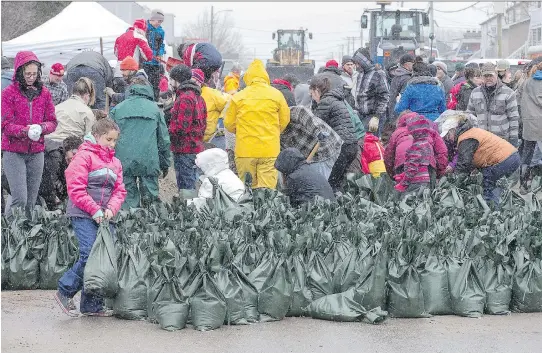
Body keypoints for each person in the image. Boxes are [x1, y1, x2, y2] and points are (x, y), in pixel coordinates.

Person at [55, 117, 127, 317]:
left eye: (114, 141)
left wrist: (111, 209)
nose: (112, 144)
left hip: (105, 217)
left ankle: (91, 305)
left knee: (100, 259)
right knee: (89, 255)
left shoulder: (115, 163)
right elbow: (76, 189)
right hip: (83, 214)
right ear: (96, 137)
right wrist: (94, 210)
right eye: (108, 139)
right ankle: (64, 290)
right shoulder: (84, 156)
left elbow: (119, 191)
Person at [1, 51, 57, 217]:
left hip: (36, 152)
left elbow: (53, 122)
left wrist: (41, 128)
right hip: (13, 152)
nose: (31, 77)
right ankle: (9, 233)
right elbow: (5, 125)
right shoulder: (8, 93)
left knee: (31, 201)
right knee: (20, 199)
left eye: (34, 74)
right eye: (27, 74)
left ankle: (26, 234)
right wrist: (25, 131)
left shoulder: (44, 93)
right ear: (19, 72)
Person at [224, 59, 290, 189]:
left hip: (245, 150)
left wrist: (241, 131)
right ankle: (265, 209)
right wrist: (274, 132)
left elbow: (229, 123)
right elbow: (285, 119)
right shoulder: (277, 95)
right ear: (265, 76)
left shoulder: (238, 97)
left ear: (248, 77)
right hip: (269, 150)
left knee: (247, 189)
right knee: (267, 191)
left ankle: (249, 209)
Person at [109, 79, 171, 208]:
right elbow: (163, 140)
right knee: (151, 203)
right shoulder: (155, 110)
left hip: (123, 160)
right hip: (149, 159)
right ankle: (150, 225)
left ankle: (129, 224)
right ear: (148, 91)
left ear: (129, 90)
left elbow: (109, 138)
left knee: (126, 202)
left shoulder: (118, 109)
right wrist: (165, 164)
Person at [39, 77, 96, 209]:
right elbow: (89, 138)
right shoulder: (86, 111)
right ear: (87, 95)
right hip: (69, 148)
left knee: (49, 182)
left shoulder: (58, 107)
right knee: (68, 183)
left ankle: (50, 204)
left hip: (48, 146)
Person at [442, 119, 520, 206]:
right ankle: (500, 206)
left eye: (448, 136)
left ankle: (491, 210)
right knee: (496, 184)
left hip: (505, 160)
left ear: (453, 131)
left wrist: (455, 183)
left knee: (488, 183)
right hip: (512, 156)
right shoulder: (471, 132)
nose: (449, 139)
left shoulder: (465, 138)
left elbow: (464, 164)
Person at [310, 75, 357, 191]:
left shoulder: (325, 102)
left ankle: (330, 205)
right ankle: (341, 205)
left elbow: (317, 125)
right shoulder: (336, 99)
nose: (312, 97)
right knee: (339, 182)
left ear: (316, 90)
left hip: (341, 147)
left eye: (311, 94)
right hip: (352, 146)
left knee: (330, 183)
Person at [168, 64, 207, 191]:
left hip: (184, 149)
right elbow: (204, 123)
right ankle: (193, 206)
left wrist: (168, 132)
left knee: (186, 185)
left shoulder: (185, 98)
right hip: (195, 146)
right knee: (192, 181)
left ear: (176, 80)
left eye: (171, 79)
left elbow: (181, 128)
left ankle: (189, 208)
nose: (170, 83)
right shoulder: (199, 97)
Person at [281, 105, 343, 179]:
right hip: (310, 157)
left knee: (317, 185)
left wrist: (318, 132)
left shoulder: (293, 112)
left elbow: (307, 116)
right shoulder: (273, 134)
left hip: (325, 150)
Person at [466, 63, 520, 147]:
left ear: (496, 74)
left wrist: (513, 139)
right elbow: (470, 116)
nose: (488, 78)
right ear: (482, 77)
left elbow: (513, 118)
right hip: (481, 139)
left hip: (501, 139)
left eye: (491, 75)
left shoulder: (508, 93)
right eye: (485, 76)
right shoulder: (475, 92)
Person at [385, 111, 448, 180]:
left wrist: (391, 174)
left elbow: (389, 156)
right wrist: (439, 172)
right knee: (425, 189)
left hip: (403, 162)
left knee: (405, 188)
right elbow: (442, 152)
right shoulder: (430, 130)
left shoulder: (397, 133)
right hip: (426, 162)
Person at [394, 114, 442, 193]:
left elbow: (412, 168)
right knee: (421, 201)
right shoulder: (425, 144)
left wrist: (404, 183)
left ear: (415, 134)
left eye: (409, 133)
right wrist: (403, 175)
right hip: (425, 179)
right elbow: (421, 164)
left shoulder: (415, 148)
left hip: (415, 181)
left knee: (410, 200)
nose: (408, 135)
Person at [351, 48, 389, 135]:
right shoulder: (360, 74)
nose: (356, 66)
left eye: (357, 63)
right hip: (361, 115)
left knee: (370, 143)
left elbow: (385, 96)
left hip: (373, 116)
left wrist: (377, 116)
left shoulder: (378, 74)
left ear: (364, 61)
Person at [519, 61, 542, 193]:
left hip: (529, 123)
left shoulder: (527, 81)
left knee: (527, 153)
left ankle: (524, 183)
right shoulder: (539, 82)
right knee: (535, 154)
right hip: (539, 122)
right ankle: (534, 183)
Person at [383, 54, 414, 142]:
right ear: (406, 64)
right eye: (412, 63)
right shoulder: (407, 78)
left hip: (392, 108)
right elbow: (404, 98)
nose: (413, 65)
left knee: (393, 135)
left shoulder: (396, 77)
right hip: (401, 111)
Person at [192, 68, 227, 146]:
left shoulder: (211, 93)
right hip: (195, 141)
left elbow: (228, 103)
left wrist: (220, 122)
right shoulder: (188, 94)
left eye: (194, 81)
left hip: (212, 139)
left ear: (200, 81)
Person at [143, 9, 166, 100]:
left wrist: (160, 53)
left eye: (161, 22)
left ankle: (155, 101)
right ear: (152, 19)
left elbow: (161, 45)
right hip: (144, 62)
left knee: (155, 84)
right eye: (158, 21)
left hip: (155, 62)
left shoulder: (161, 31)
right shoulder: (144, 28)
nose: (159, 23)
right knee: (144, 82)